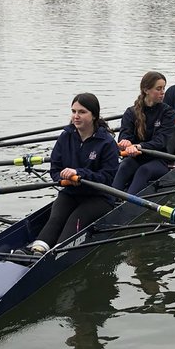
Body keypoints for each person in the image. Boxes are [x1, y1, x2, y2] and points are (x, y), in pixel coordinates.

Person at [26, 93, 119, 254]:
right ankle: (37, 250)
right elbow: (55, 169)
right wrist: (63, 178)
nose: (76, 116)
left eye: (82, 112)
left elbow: (107, 177)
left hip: (99, 196)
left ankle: (55, 255)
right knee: (55, 219)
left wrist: (79, 174)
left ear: (94, 115)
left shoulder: (107, 142)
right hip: (71, 191)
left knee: (74, 220)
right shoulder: (65, 136)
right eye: (74, 111)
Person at [113, 71, 175, 194]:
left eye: (163, 88)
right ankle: (109, 200)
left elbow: (160, 141)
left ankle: (128, 203)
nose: (163, 92)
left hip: (159, 158)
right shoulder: (131, 112)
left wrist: (139, 146)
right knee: (124, 166)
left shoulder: (168, 112)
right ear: (146, 90)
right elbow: (125, 134)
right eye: (158, 89)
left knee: (144, 170)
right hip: (135, 157)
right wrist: (125, 142)